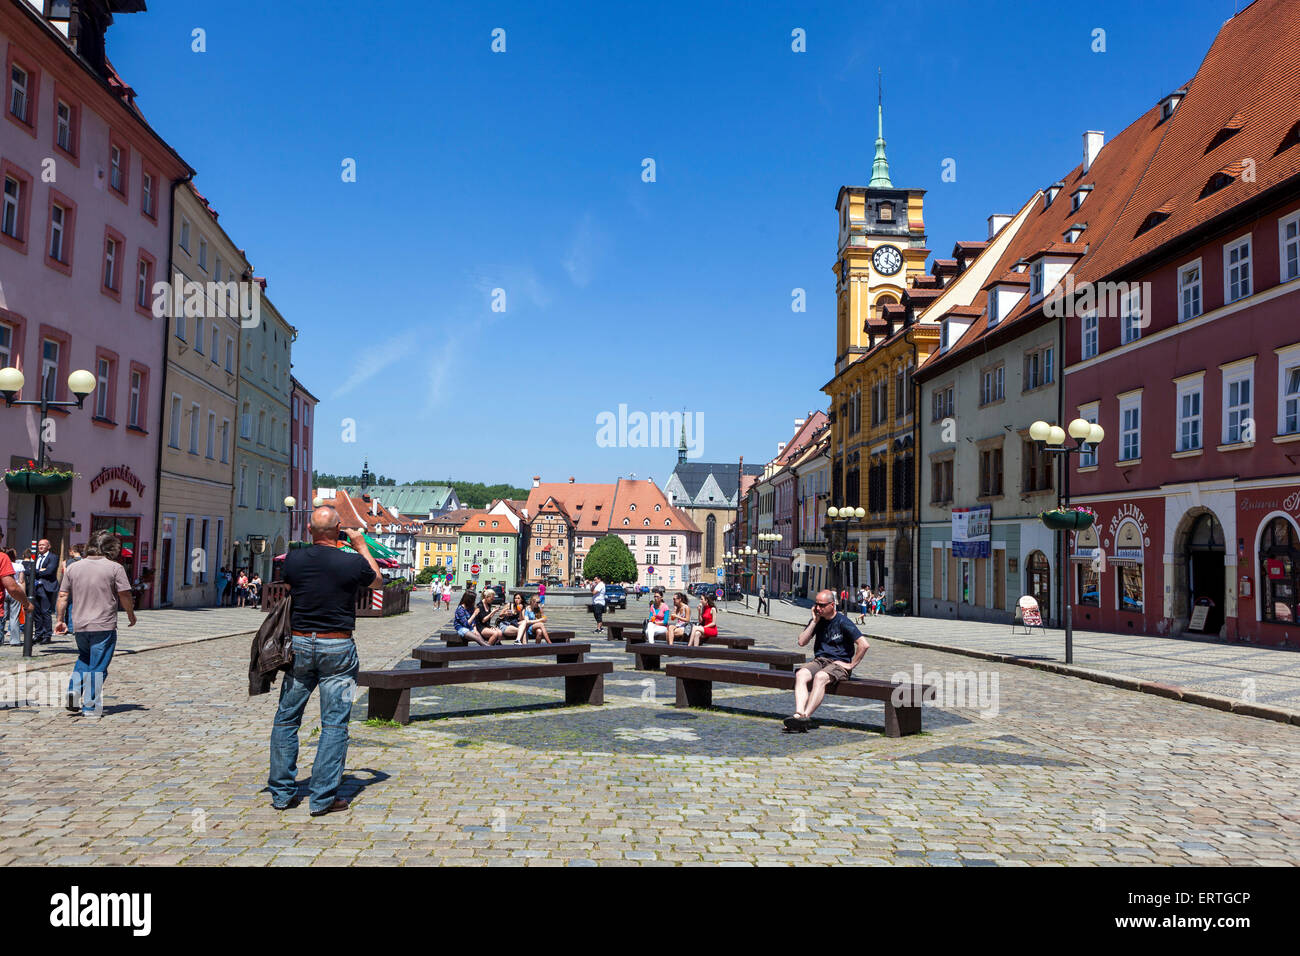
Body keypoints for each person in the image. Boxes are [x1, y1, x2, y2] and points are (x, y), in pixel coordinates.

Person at [268, 506, 383, 816]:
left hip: (301, 645)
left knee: (287, 718)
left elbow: (296, 586)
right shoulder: (351, 561)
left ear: (309, 529)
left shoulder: (293, 560)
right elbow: (377, 582)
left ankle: (281, 793)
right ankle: (322, 798)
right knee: (334, 723)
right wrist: (360, 545)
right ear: (338, 530)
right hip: (338, 647)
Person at [54, 531, 135, 718]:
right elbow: (125, 594)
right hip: (104, 625)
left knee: (84, 658)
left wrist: (60, 620)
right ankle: (90, 706)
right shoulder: (115, 568)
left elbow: (63, 595)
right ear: (112, 549)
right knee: (98, 666)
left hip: (80, 625)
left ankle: (73, 690)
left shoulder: (74, 567)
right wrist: (130, 614)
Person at [784, 590, 870, 732]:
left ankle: (805, 717)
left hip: (838, 664)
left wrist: (851, 665)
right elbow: (801, 641)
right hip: (820, 661)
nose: (818, 608)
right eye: (816, 604)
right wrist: (814, 621)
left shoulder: (843, 622)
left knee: (820, 677)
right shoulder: (818, 620)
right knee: (801, 674)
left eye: (822, 605)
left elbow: (864, 644)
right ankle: (799, 713)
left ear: (832, 605)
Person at [0, 531, 34, 647]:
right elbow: (13, 586)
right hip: (11, 594)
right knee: (14, 617)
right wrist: (26, 602)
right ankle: (15, 640)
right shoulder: (2, 558)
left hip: (6, 596)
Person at [30, 538, 59, 644]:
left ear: (48, 546)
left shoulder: (53, 557)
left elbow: (49, 571)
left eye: (43, 545)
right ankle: (38, 634)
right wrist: (39, 571)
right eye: (39, 545)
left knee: (45, 611)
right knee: (36, 612)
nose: (40, 547)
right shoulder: (36, 557)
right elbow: (29, 570)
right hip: (35, 587)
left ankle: (47, 634)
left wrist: (36, 572)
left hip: (47, 587)